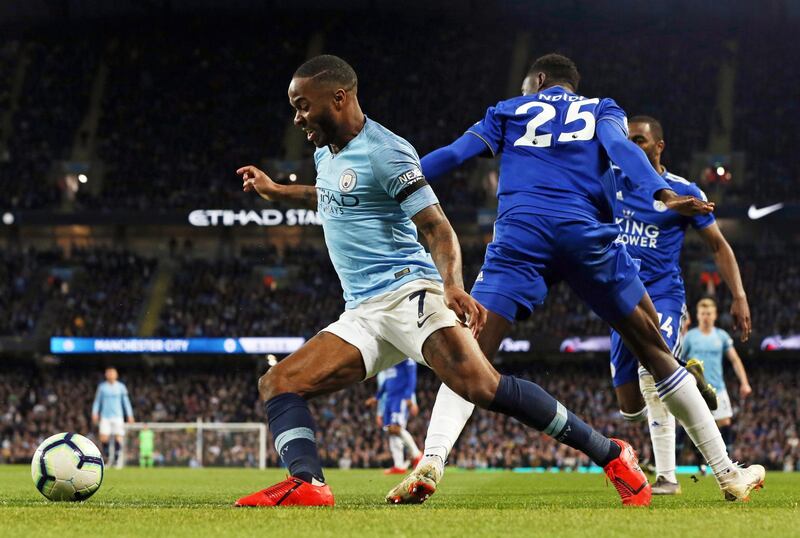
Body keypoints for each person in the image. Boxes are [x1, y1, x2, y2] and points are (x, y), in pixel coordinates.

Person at [233, 54, 649, 508]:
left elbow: (438, 228)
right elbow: (335, 194)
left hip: (409, 293)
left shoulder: (386, 151)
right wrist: (279, 192)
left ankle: (612, 454)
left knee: (482, 388)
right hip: (363, 312)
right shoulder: (325, 152)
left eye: (303, 106)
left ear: (338, 97)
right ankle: (308, 484)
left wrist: (451, 285)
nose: (297, 118)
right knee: (279, 382)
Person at [388, 53, 764, 504]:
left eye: (529, 87)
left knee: (470, 350)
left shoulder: (507, 110)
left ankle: (431, 460)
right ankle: (727, 474)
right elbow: (624, 150)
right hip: (585, 234)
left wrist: (392, 184)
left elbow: (454, 154)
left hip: (520, 235)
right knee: (656, 353)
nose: (526, 94)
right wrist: (662, 191)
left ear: (540, 80)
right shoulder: (602, 108)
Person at [610, 116, 752, 495]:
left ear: (659, 147)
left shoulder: (680, 190)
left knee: (651, 372)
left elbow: (719, 246)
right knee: (629, 406)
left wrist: (738, 295)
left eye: (639, 141)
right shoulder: (610, 183)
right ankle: (686, 375)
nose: (631, 148)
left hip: (662, 296)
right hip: (618, 299)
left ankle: (669, 478)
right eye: (626, 142)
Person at [682, 298, 752, 451]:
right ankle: (699, 464)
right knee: (696, 427)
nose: (706, 316)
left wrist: (745, 383)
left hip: (718, 388)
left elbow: (735, 360)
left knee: (725, 423)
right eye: (703, 313)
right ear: (698, 315)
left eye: (709, 313)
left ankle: (729, 463)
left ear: (715, 315)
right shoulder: (690, 337)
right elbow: (679, 359)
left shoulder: (721, 336)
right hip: (696, 390)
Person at [367, 359, 422, 474]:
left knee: (395, 428)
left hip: (400, 398)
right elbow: (387, 381)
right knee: (390, 431)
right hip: (389, 400)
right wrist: (376, 397)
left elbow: (412, 378)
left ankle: (417, 455)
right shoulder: (390, 361)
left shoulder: (407, 360)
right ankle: (399, 465)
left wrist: (408, 396)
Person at [91, 367, 134, 467]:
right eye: (108, 373)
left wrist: (130, 414)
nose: (110, 375)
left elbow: (126, 402)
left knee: (118, 437)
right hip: (105, 416)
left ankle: (116, 459)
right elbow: (97, 401)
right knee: (104, 438)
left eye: (112, 373)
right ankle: (106, 458)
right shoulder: (102, 387)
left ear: (116, 375)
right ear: (106, 375)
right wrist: (95, 412)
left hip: (118, 416)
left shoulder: (121, 387)